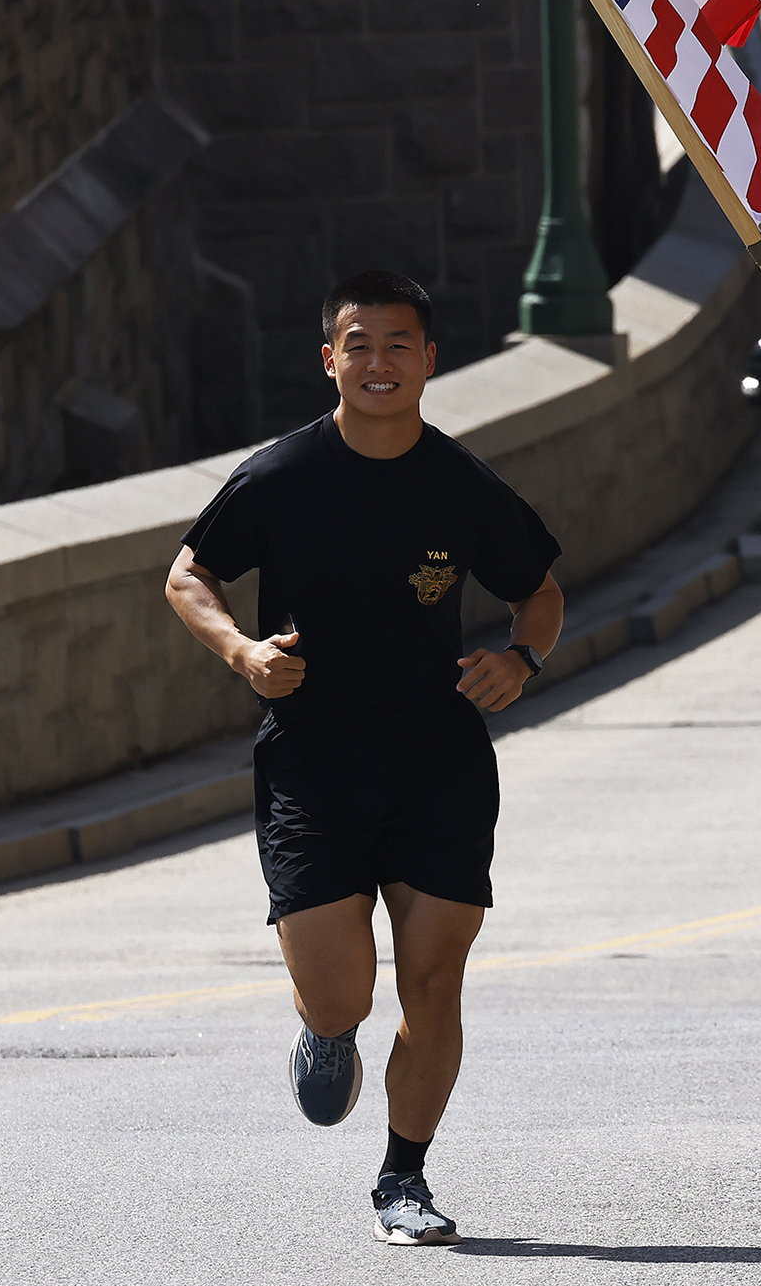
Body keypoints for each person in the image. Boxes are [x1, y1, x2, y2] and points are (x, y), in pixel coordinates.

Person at [164, 270, 565, 1247]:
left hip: (438, 757)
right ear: (330, 358)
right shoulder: (280, 475)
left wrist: (521, 656)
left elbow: (538, 589)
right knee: (344, 988)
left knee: (435, 979)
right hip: (312, 761)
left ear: (429, 360)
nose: (378, 362)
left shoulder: (461, 484)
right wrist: (242, 652)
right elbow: (188, 573)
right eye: (359, 343)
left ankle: (403, 1174)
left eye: (398, 344)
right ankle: (328, 1027)